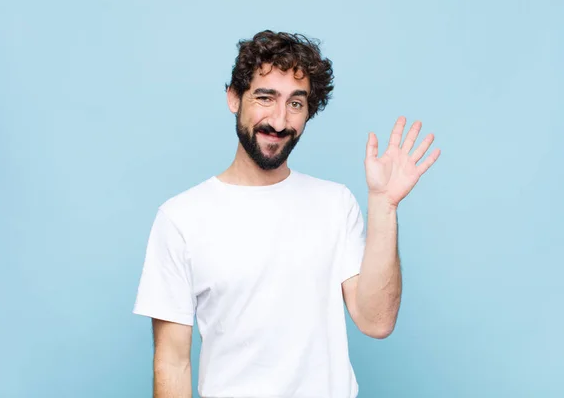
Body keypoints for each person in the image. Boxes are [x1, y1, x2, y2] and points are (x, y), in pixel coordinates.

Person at [133, 30, 440, 398]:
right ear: (234, 97)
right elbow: (172, 362)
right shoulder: (180, 218)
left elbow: (376, 321)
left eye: (296, 103)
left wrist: (384, 205)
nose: (279, 121)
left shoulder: (335, 203)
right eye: (266, 98)